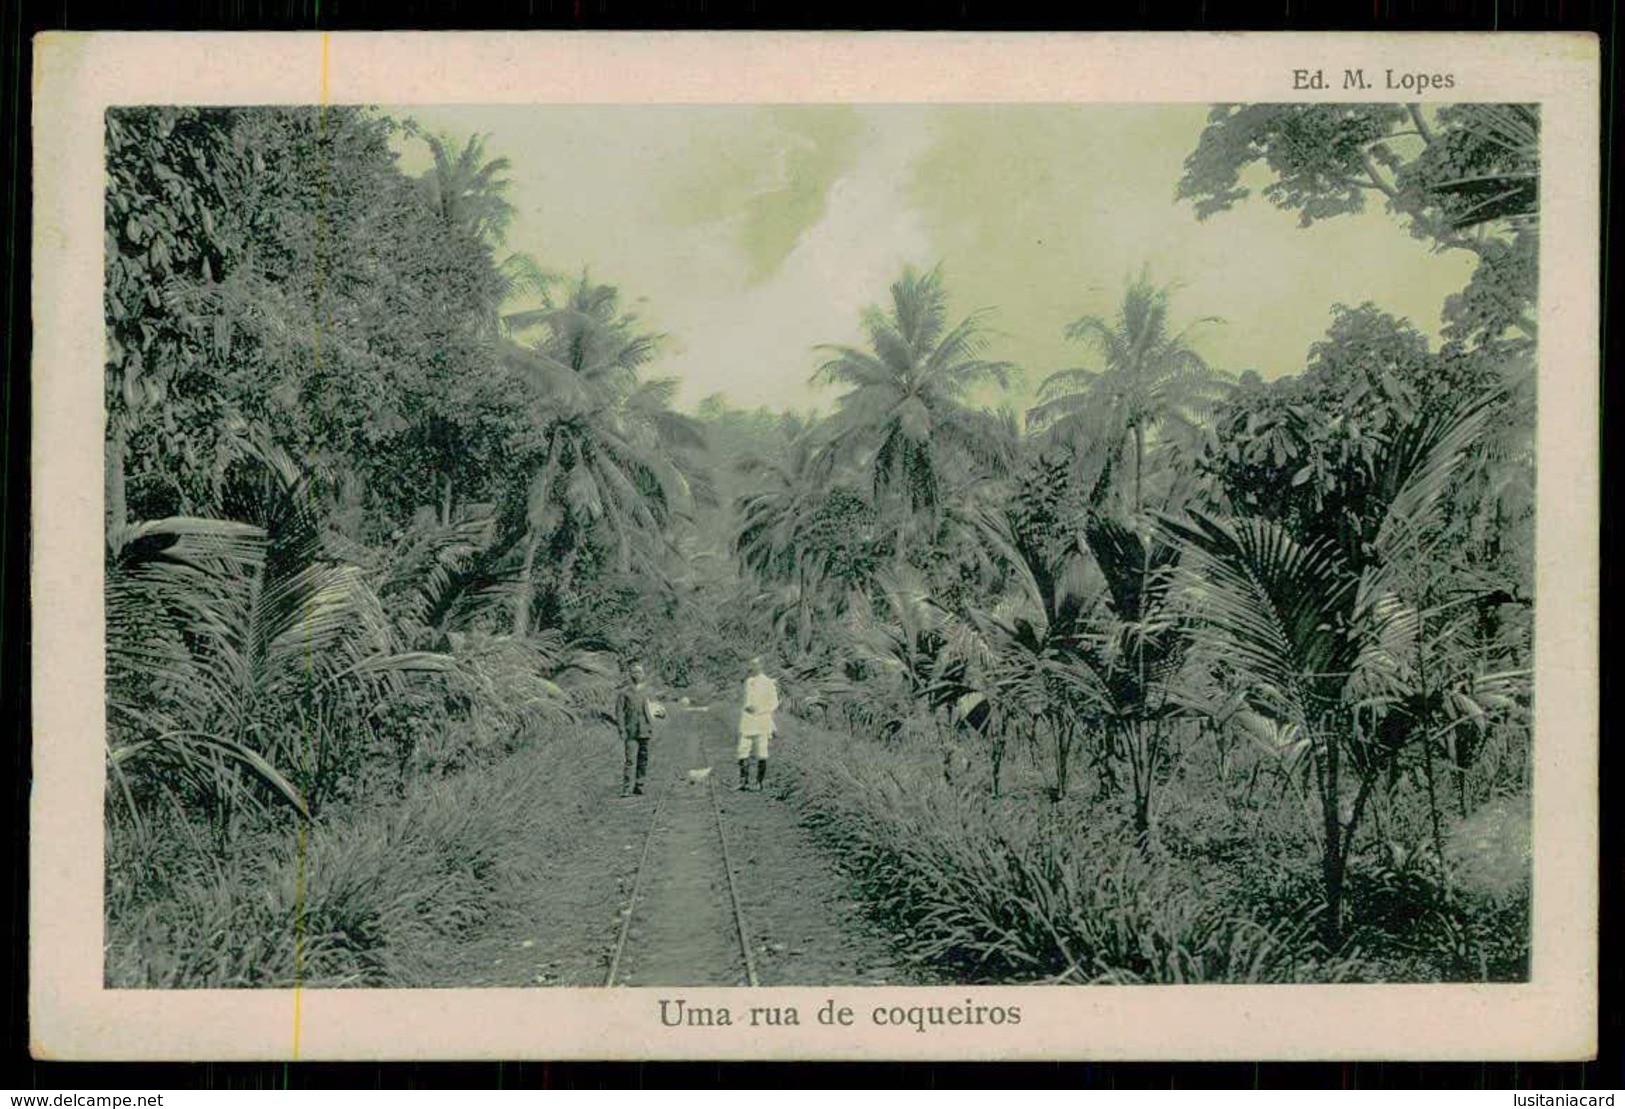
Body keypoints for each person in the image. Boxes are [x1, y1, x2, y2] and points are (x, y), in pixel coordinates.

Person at [616, 662, 662, 797]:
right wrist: (622, 730)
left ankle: (639, 785)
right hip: (630, 731)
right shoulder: (624, 693)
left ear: (643, 675)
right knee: (630, 759)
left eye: (639, 672)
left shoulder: (649, 692)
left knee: (643, 759)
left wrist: (659, 713)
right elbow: (619, 713)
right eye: (633, 672)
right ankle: (626, 788)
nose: (636, 675)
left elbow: (656, 709)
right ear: (630, 674)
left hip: (645, 730)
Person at [736, 656, 780, 792]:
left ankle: (759, 783)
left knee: (761, 751)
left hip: (762, 720)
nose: (753, 667)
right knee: (742, 750)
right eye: (751, 664)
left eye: (755, 664)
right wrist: (748, 707)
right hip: (748, 720)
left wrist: (760, 710)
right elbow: (747, 700)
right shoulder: (749, 682)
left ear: (761, 666)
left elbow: (774, 703)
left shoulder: (768, 682)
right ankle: (744, 782)